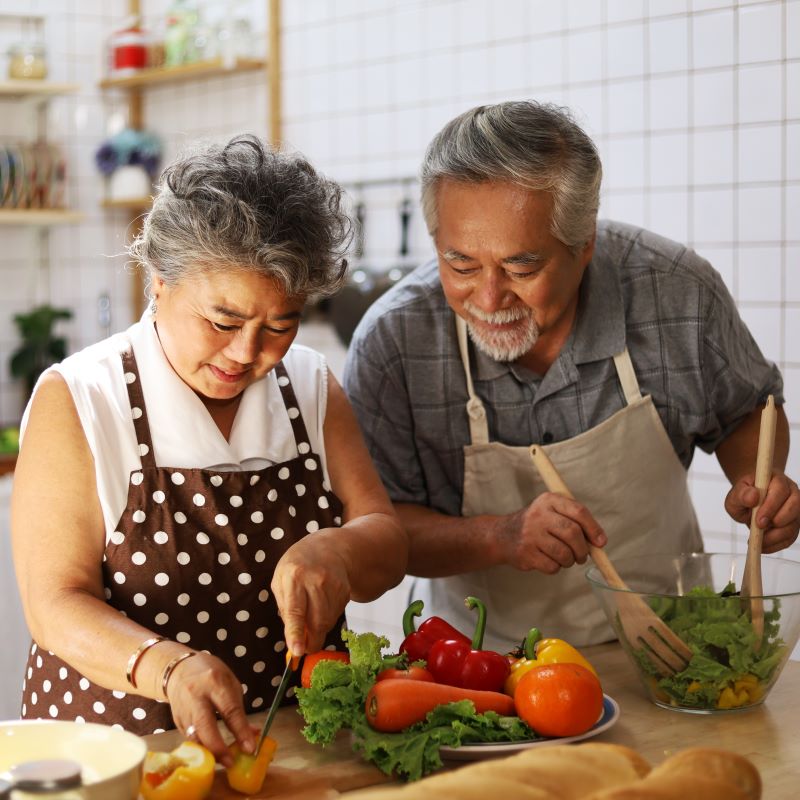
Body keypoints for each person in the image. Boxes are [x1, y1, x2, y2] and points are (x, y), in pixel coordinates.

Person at [343, 101, 800, 653]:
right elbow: (380, 532)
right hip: (482, 667)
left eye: (521, 267)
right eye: (460, 264)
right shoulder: (393, 342)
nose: (488, 299)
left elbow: (746, 412)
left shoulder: (675, 291)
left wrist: (759, 486)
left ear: (585, 245)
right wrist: (500, 536)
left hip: (671, 649)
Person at [11, 135, 407, 764]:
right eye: (223, 322)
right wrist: (167, 668)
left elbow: (386, 542)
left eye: (280, 324)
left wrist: (339, 547)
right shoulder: (83, 398)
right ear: (159, 281)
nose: (249, 352)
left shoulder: (309, 385)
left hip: (289, 751)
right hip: (119, 757)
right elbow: (54, 604)